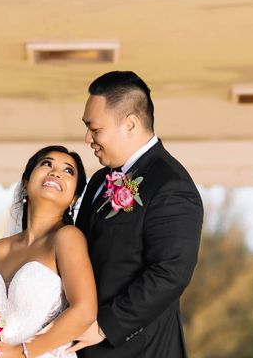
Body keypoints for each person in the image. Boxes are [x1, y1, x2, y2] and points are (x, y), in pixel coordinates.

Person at [69, 71, 204, 358]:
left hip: (137, 349)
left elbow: (170, 272)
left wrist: (105, 326)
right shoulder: (99, 179)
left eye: (95, 129)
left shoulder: (171, 185)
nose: (87, 138)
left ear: (130, 124)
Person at [0, 145, 97, 358]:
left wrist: (21, 353)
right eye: (47, 164)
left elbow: (84, 310)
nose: (55, 172)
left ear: (74, 199)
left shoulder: (67, 237)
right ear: (25, 183)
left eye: (68, 171)